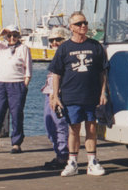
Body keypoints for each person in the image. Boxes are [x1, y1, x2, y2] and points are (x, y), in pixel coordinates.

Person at [48, 12, 109, 176]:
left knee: (91, 127)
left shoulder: (95, 46)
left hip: (92, 95)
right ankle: (73, 163)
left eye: (85, 22)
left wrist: (103, 93)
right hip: (71, 95)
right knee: (73, 129)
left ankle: (92, 162)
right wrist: (55, 95)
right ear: (71, 27)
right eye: (79, 24)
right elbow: (56, 73)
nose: (83, 26)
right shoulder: (64, 48)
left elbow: (103, 72)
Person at [0, 25, 32, 154]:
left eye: (15, 35)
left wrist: (24, 85)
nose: (12, 38)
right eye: (9, 35)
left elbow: (28, 70)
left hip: (17, 84)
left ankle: (16, 144)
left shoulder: (24, 48)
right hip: (1, 84)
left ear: (19, 36)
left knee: (16, 115)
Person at [40, 26, 70, 170]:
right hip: (49, 93)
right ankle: (59, 153)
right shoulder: (56, 56)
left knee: (60, 125)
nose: (54, 43)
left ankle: (63, 157)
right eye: (51, 40)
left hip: (59, 95)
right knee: (49, 126)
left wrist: (56, 94)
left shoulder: (67, 56)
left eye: (58, 39)